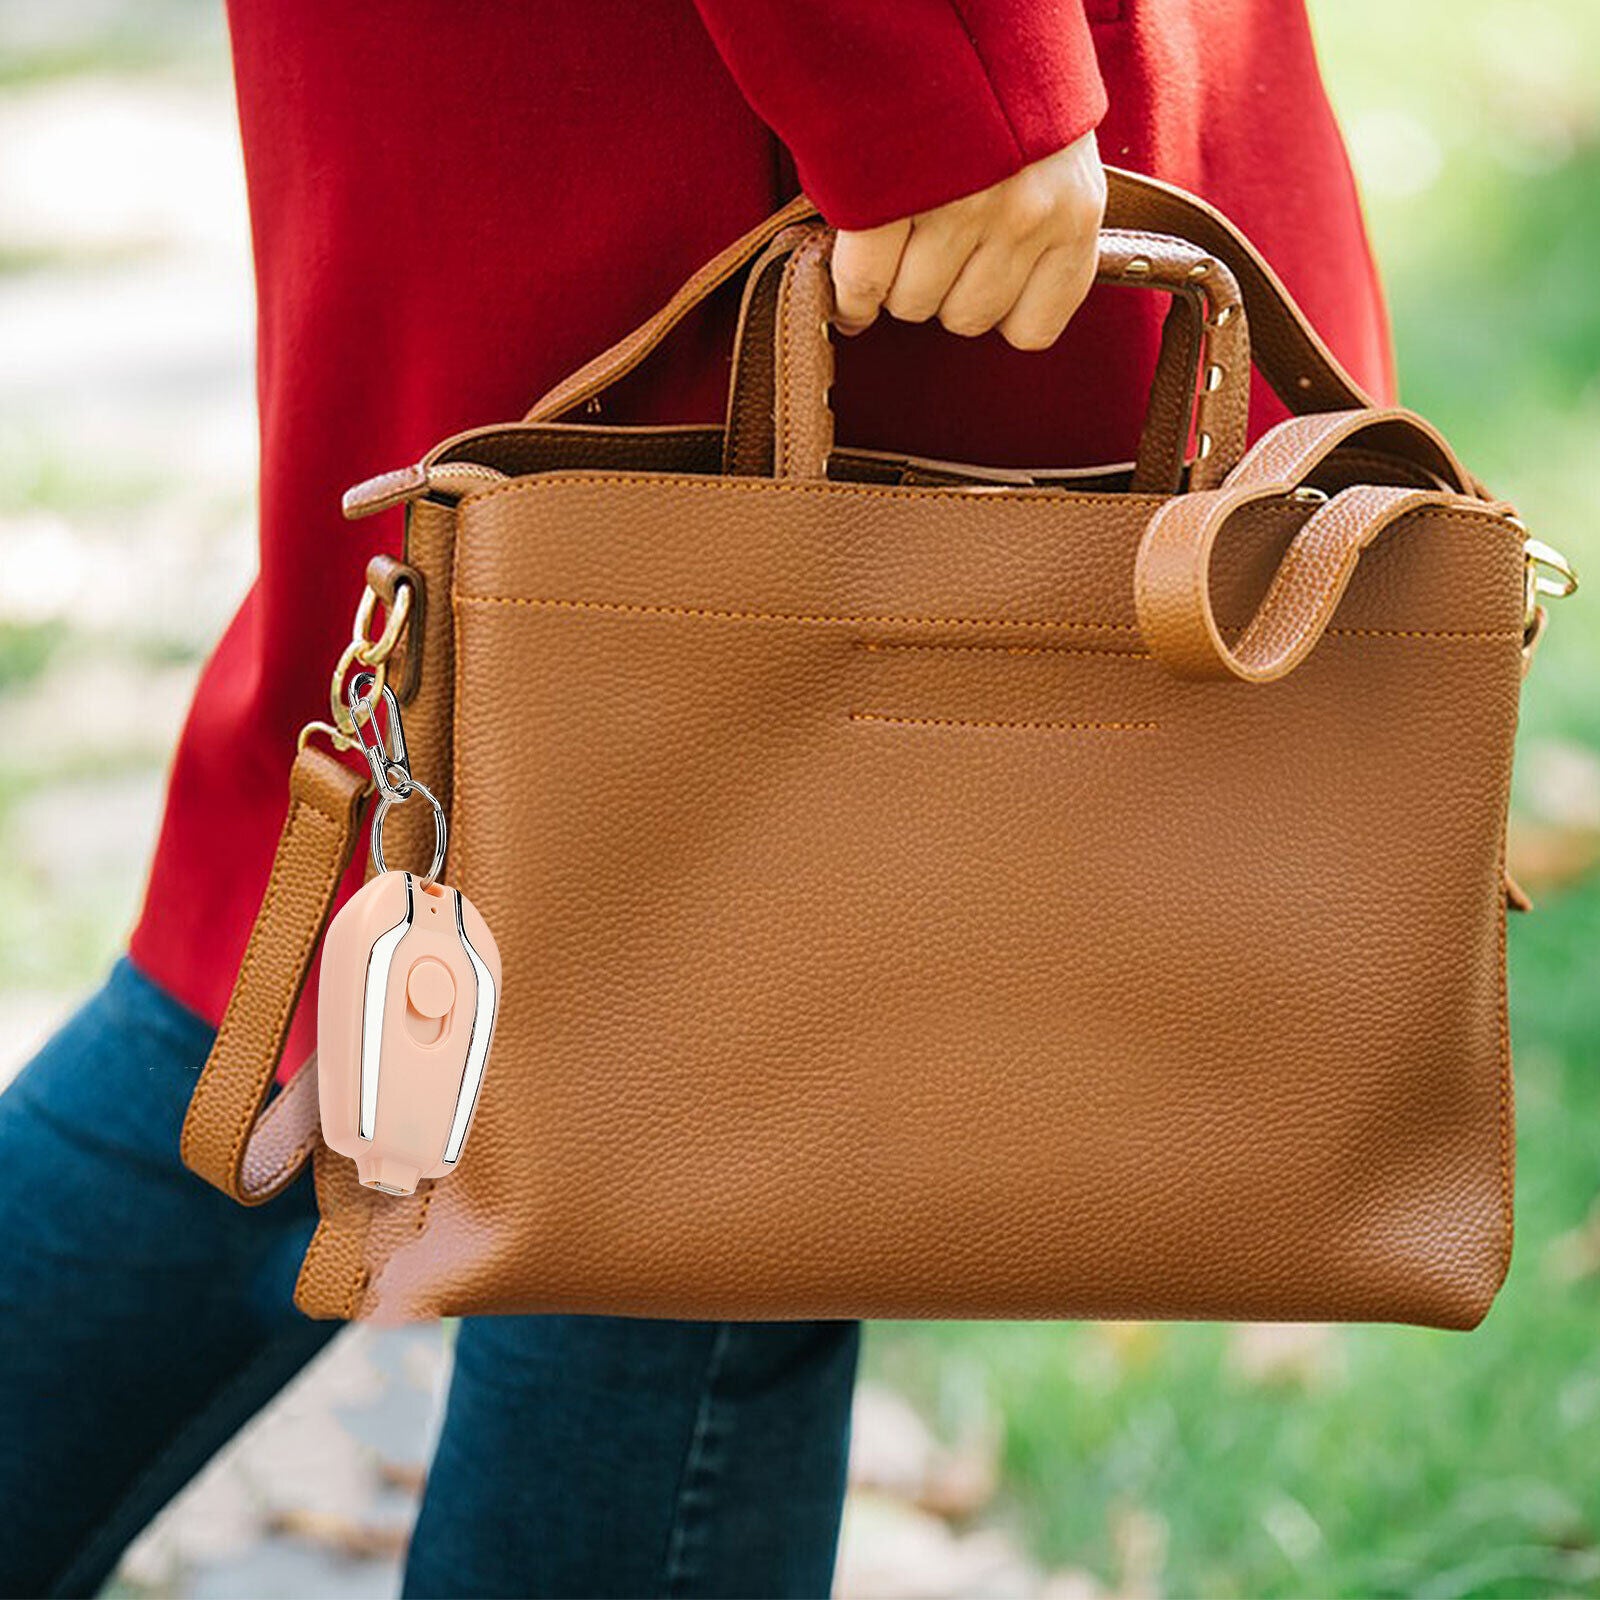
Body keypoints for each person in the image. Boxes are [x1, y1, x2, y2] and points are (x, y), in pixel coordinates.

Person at [0, 2, 1393, 1594]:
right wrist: (953, 88)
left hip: (583, 90)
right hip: (764, 112)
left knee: (383, 908)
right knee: (698, 1095)